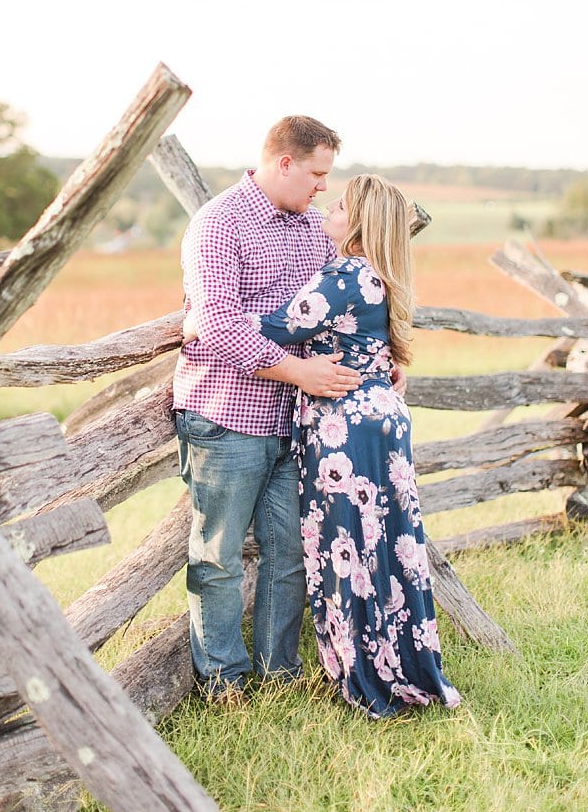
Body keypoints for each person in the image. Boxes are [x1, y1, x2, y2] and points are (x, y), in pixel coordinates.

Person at [242, 173, 461, 716]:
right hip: (379, 418)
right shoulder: (376, 274)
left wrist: (207, 317)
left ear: (358, 225)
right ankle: (399, 660)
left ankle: (364, 670)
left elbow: (276, 328)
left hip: (347, 429)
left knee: (348, 546)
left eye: (339, 206)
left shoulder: (344, 275)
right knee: (385, 542)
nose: (329, 211)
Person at [172, 115, 362, 701]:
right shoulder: (219, 224)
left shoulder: (311, 228)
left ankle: (279, 675)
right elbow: (216, 326)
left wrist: (381, 357)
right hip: (225, 416)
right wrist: (297, 369)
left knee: (288, 553)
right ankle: (224, 683)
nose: (323, 187)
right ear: (284, 163)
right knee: (219, 556)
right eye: (317, 173)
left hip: (294, 421)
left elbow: (342, 302)